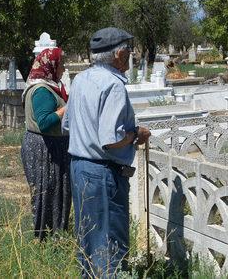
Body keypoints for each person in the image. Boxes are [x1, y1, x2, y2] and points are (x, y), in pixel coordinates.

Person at [62, 27, 151, 277]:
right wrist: (137, 135)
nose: (131, 56)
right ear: (120, 54)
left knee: (89, 240)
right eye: (129, 51)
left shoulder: (80, 79)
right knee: (109, 243)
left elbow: (67, 124)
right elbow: (112, 139)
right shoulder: (113, 86)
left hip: (79, 168)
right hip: (103, 173)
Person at [20, 47, 71, 240]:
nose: (64, 68)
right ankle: (46, 238)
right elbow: (44, 122)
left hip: (51, 146)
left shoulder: (48, 86)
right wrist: (66, 109)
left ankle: (55, 236)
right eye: (61, 64)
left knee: (54, 192)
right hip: (45, 149)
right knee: (47, 193)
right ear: (51, 66)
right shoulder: (42, 90)